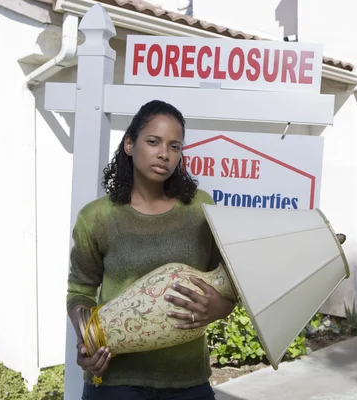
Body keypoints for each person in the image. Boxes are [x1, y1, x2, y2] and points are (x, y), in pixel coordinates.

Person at [66, 100, 236, 400]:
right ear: (129, 144)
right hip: (115, 379)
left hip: (188, 381)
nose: (164, 154)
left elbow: (231, 279)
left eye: (175, 146)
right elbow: (80, 290)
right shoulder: (96, 217)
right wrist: (88, 341)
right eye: (153, 141)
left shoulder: (200, 209)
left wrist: (220, 309)